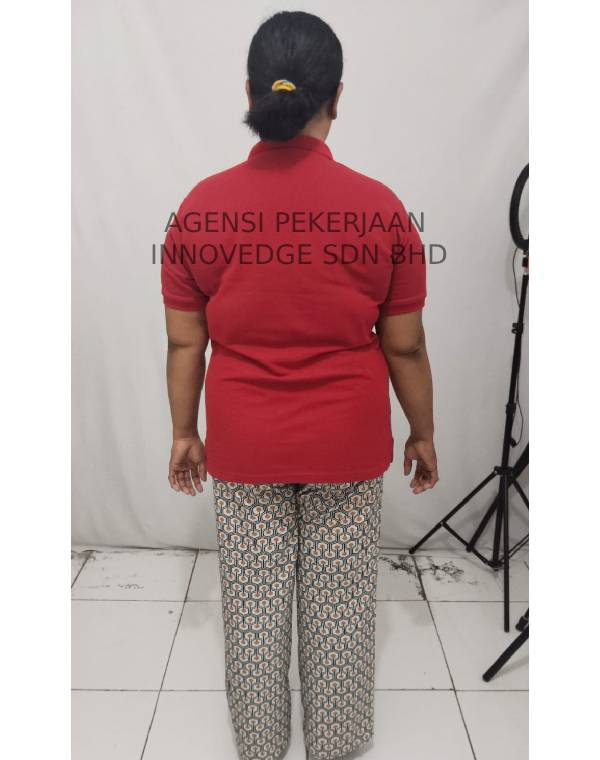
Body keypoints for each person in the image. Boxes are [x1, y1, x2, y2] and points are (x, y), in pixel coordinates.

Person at [161, 11, 438, 760]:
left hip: (245, 444)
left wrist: (185, 432)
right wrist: (422, 431)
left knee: (253, 607)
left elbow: (187, 339)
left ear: (251, 92)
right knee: (339, 606)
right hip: (346, 444)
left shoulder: (200, 208)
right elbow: (405, 346)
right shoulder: (380, 209)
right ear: (336, 96)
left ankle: (260, 743)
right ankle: (336, 743)